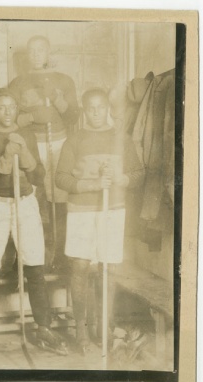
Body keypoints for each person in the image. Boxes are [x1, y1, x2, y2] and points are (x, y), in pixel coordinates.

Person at [0, 88, 64, 355]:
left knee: (35, 267)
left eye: (12, 106)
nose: (8, 111)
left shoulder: (26, 136)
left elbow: (38, 176)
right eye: (2, 107)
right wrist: (2, 160)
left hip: (24, 204)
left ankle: (44, 328)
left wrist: (23, 153)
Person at [55, 89, 144, 352]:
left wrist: (120, 179)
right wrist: (93, 183)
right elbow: (61, 178)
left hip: (112, 210)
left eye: (100, 107)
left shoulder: (122, 139)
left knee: (109, 269)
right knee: (80, 267)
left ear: (108, 108)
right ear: (84, 111)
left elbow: (138, 174)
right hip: (82, 210)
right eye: (90, 108)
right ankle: (81, 331)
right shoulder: (75, 139)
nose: (96, 113)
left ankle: (102, 327)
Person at [9, 36, 79, 269]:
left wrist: (57, 98)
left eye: (41, 50)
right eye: (32, 51)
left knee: (58, 199)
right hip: (30, 145)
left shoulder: (64, 80)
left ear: (49, 52)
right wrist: (32, 117)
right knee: (30, 200)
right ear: (27, 55)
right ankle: (29, 257)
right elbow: (8, 120)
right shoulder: (17, 83)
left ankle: (59, 255)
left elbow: (72, 117)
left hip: (57, 144)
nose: (37, 54)